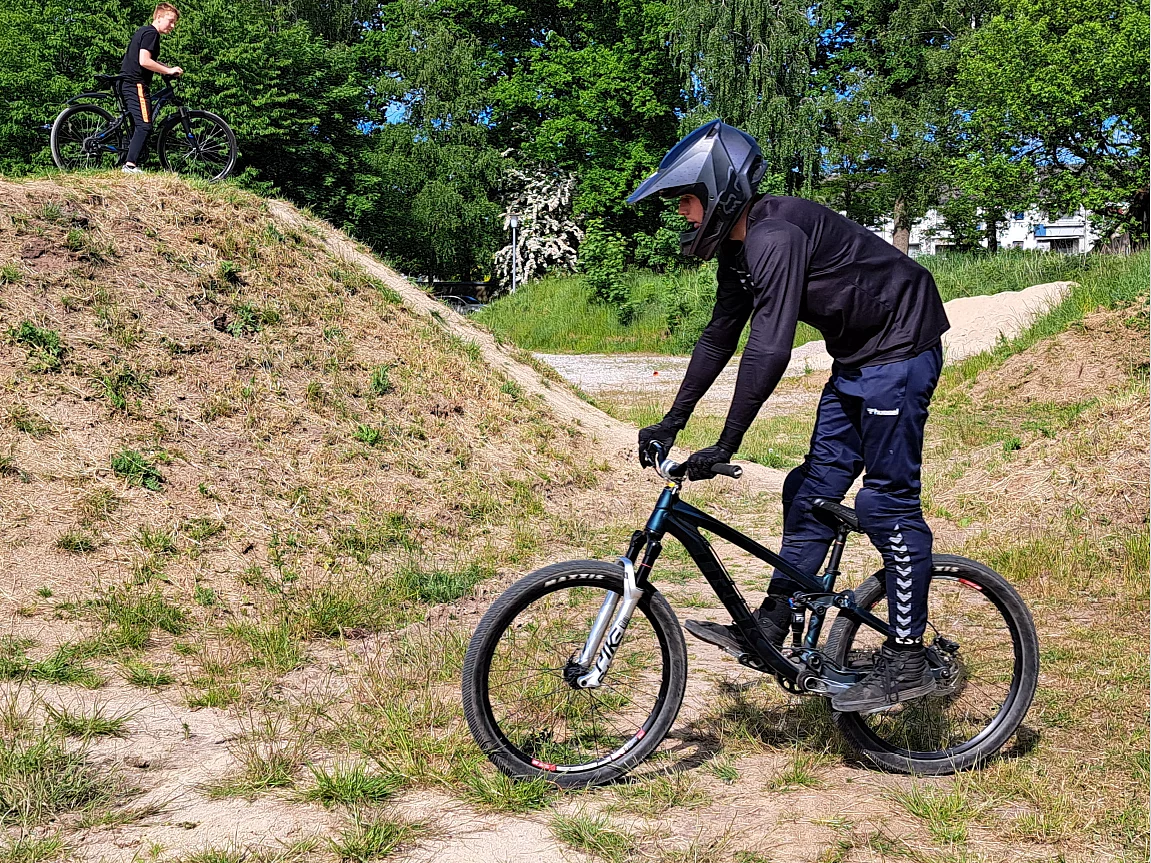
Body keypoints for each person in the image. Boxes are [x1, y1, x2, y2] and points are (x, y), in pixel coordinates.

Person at [628, 120, 950, 714]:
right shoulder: (740, 250)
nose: (683, 214)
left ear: (719, 190)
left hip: (903, 349)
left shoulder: (774, 236)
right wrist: (671, 420)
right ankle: (774, 624)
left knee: (886, 504)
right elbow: (721, 335)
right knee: (810, 491)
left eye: (687, 200)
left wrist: (727, 441)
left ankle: (908, 659)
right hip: (857, 359)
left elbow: (769, 347)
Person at [118, 3, 183, 173]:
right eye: (170, 21)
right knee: (145, 125)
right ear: (159, 17)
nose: (173, 26)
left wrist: (165, 67)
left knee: (136, 125)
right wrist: (168, 70)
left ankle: (129, 159)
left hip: (128, 82)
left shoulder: (144, 31)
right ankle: (130, 165)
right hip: (136, 84)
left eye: (174, 22)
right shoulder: (151, 34)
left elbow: (149, 61)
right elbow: (144, 61)